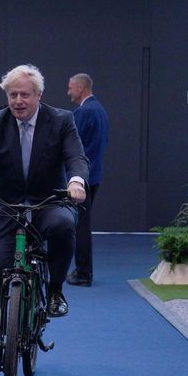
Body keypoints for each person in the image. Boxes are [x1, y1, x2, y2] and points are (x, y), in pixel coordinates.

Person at [0, 64, 88, 373]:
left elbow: (75, 157)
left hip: (48, 200)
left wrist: (76, 182)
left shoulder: (61, 120)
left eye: (25, 95)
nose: (18, 101)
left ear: (39, 95)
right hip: (6, 204)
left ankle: (55, 289)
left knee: (63, 225)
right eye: (13, 95)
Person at [65, 73, 109, 287]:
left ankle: (83, 273)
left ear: (80, 88)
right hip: (94, 175)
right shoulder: (99, 110)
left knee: (80, 226)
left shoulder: (84, 112)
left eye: (70, 88)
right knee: (82, 224)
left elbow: (72, 145)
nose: (68, 92)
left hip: (81, 178)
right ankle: (83, 271)